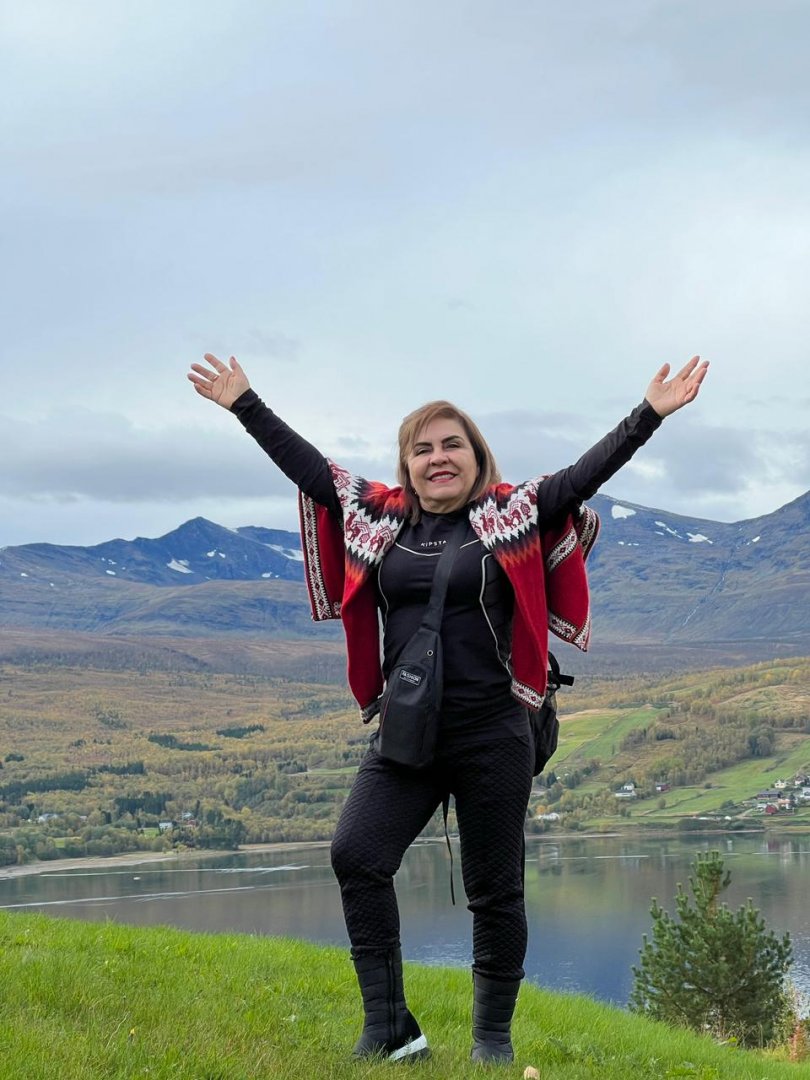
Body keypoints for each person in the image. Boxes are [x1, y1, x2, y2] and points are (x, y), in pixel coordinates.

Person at [187, 353, 709, 1064]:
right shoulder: (379, 517)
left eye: (452, 444)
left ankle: (491, 1040)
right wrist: (246, 403)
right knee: (356, 854)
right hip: (408, 729)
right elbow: (313, 471)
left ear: (475, 455)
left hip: (496, 728)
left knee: (495, 889)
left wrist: (647, 414)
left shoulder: (513, 511)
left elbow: (587, 475)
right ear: (406, 463)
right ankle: (391, 1029)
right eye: (423, 447)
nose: (439, 458)